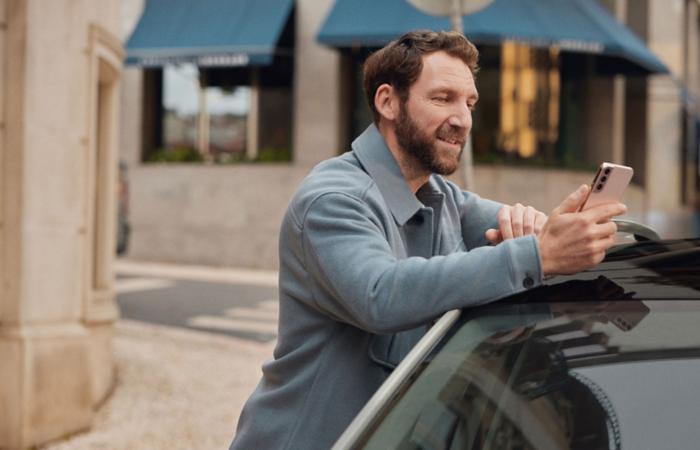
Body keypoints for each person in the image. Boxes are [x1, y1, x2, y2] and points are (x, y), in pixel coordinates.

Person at [230, 30, 626, 450]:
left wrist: (555, 234)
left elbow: (535, 244)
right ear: (388, 102)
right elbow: (379, 295)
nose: (463, 119)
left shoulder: (441, 196)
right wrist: (537, 253)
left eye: (469, 103)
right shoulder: (331, 200)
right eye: (442, 99)